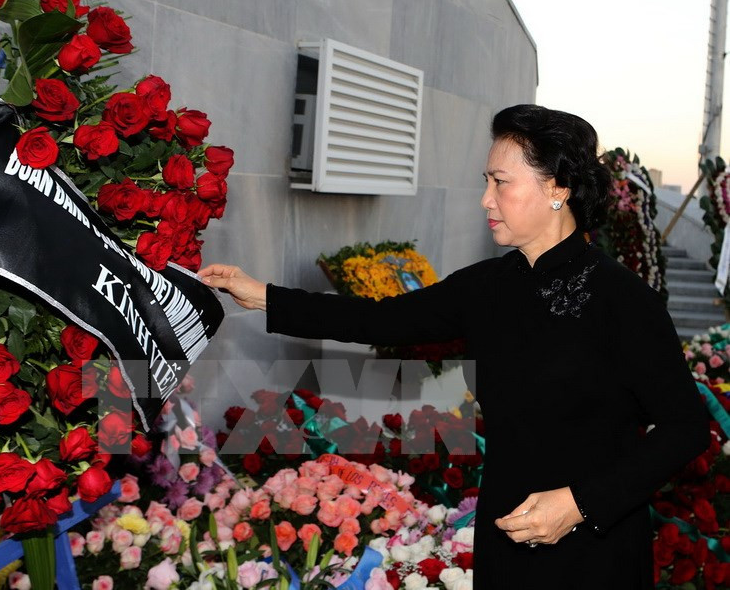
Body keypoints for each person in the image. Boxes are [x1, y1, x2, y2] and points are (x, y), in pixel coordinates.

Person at [197, 104, 713, 590]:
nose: (485, 199)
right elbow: (380, 320)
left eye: (500, 183)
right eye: (486, 182)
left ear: (558, 187)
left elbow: (685, 427)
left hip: (594, 551)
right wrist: (261, 294)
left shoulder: (622, 300)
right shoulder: (489, 286)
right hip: (505, 544)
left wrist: (580, 504)